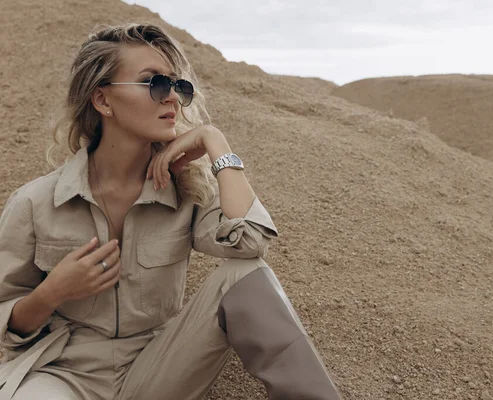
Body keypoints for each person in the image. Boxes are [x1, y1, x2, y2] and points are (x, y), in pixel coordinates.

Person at [0, 23, 341, 400]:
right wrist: (52, 292)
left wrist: (216, 143)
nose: (173, 100)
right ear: (103, 100)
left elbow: (252, 243)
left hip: (158, 368)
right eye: (156, 84)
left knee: (245, 273)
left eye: (179, 87)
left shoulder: (187, 191)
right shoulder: (35, 202)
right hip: (63, 376)